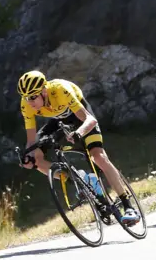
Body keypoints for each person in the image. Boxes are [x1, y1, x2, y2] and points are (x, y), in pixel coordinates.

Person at [17, 70, 140, 225]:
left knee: (98, 157)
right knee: (35, 159)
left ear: (44, 91)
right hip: (59, 120)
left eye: (33, 97)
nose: (29, 102)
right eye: (26, 98)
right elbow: (31, 140)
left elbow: (89, 119)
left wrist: (79, 133)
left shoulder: (60, 90)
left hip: (80, 117)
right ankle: (78, 179)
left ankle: (128, 206)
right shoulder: (27, 104)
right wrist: (27, 155)